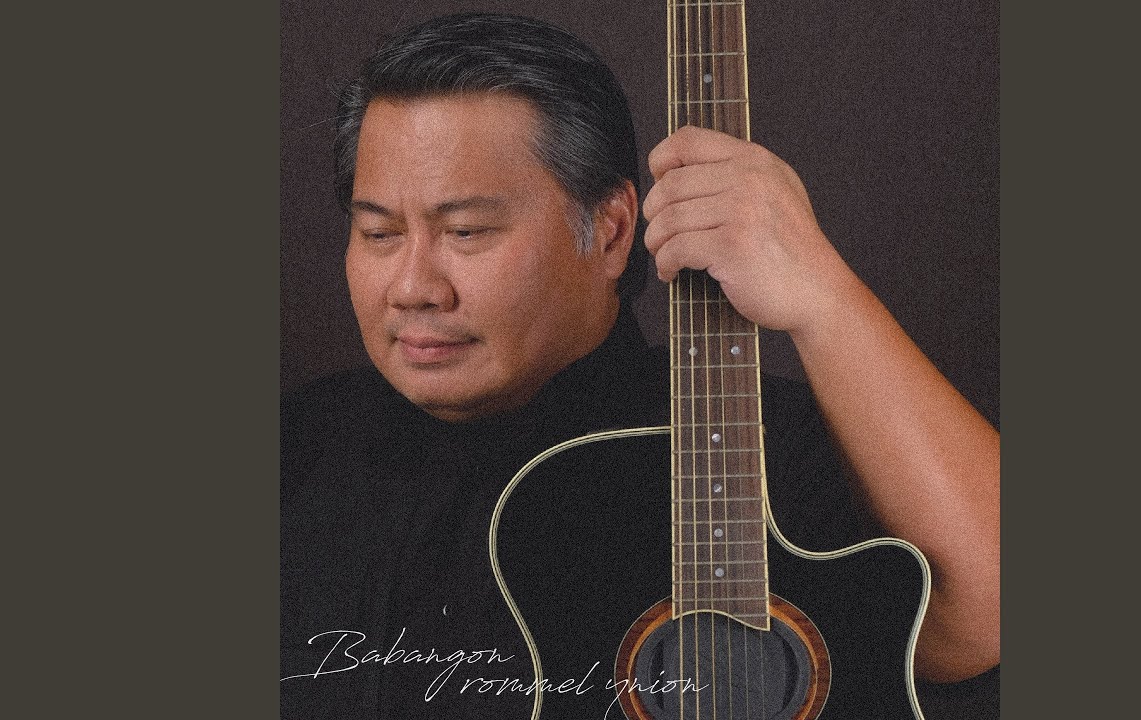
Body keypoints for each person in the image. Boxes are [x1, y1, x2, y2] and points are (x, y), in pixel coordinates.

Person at [281, 11, 999, 719]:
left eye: (466, 231)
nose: (412, 288)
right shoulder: (298, 445)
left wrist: (823, 295)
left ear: (612, 230)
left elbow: (988, 621)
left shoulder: (763, 453)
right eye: (378, 233)